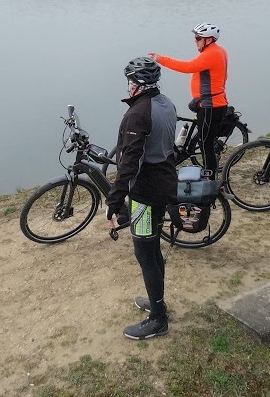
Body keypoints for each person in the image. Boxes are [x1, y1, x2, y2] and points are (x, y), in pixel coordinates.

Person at [106, 56, 178, 340]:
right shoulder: (166, 103)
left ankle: (158, 319)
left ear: (136, 84)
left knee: (145, 252)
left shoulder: (137, 114)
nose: (127, 86)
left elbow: (130, 163)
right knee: (153, 248)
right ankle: (157, 301)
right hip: (164, 183)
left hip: (145, 194)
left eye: (129, 81)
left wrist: (114, 202)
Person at [149, 22, 229, 176]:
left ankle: (211, 177)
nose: (195, 41)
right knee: (206, 140)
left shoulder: (211, 54)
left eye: (198, 38)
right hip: (213, 102)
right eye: (195, 38)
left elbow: (187, 67)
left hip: (210, 106)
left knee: (206, 144)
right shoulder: (219, 50)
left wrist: (161, 59)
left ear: (209, 39)